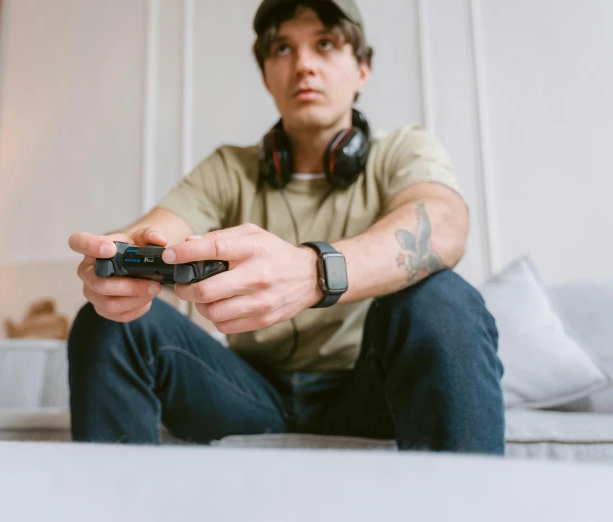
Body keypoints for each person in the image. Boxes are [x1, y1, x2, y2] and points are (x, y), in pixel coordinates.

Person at [67, 0, 505, 454]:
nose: (303, 65)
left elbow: (445, 225)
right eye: (282, 49)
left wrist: (314, 271)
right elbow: (159, 229)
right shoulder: (229, 169)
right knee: (108, 322)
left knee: (442, 297)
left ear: (362, 69)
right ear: (265, 75)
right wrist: (120, 259)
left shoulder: (401, 151)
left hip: (372, 388)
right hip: (249, 394)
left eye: (325, 45)